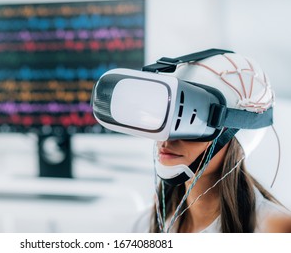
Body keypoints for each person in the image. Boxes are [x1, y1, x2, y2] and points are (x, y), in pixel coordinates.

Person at [91, 49, 291, 233]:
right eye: (165, 116)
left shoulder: (274, 230)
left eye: (188, 120)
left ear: (236, 134)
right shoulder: (148, 224)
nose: (166, 138)